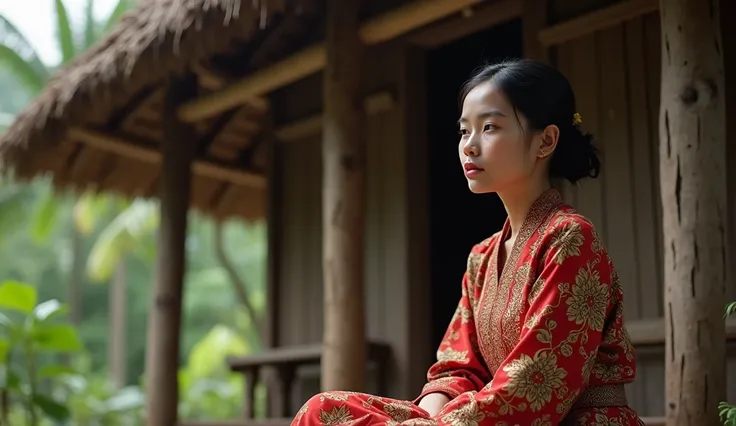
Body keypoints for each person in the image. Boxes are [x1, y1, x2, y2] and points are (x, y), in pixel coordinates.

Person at [291, 58, 643, 426]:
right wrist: (422, 421)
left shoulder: (570, 238)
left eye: (489, 127)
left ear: (546, 141)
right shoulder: (482, 257)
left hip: (566, 419)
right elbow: (458, 368)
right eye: (464, 131)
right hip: (477, 419)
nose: (469, 147)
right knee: (324, 411)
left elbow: (538, 385)